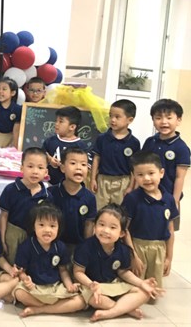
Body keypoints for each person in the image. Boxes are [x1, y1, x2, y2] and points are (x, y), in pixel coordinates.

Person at [73, 204, 163, 321]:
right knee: (93, 298)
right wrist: (91, 284)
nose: (105, 230)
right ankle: (126, 309)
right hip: (93, 286)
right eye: (101, 224)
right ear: (95, 226)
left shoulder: (123, 250)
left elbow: (123, 272)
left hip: (113, 284)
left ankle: (110, 313)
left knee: (144, 293)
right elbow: (78, 272)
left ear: (122, 233)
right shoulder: (85, 247)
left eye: (113, 227)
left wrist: (141, 283)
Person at [13, 203, 86, 318]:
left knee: (80, 301)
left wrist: (69, 285)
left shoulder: (60, 247)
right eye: (41, 225)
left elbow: (63, 270)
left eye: (52, 226)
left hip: (55, 287)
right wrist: (26, 280)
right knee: (19, 293)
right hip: (35, 288)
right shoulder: (26, 246)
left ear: (59, 228)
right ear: (33, 226)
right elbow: (21, 271)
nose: (47, 230)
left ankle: (39, 309)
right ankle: (55, 308)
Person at [123, 151, 178, 289]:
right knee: (136, 288)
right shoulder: (132, 199)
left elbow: (170, 230)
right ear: (134, 176)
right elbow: (124, 229)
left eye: (151, 173)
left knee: (154, 289)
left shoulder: (168, 199)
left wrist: (169, 257)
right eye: (140, 175)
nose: (146, 178)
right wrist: (133, 256)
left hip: (159, 248)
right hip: (137, 247)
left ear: (161, 173)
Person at [0, 147, 52, 265]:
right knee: (13, 264)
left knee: (31, 266)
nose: (35, 171)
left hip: (36, 236)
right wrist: (2, 240)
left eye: (40, 168)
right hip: (13, 234)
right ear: (21, 168)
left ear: (46, 172)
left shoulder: (47, 195)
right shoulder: (11, 189)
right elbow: (3, 216)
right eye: (30, 166)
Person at [141, 98, 189, 229]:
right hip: (146, 192)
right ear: (153, 120)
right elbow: (140, 167)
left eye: (169, 117)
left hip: (167, 196)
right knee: (144, 226)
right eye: (158, 118)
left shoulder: (181, 148)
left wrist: (174, 201)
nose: (163, 122)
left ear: (178, 120)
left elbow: (180, 177)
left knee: (166, 230)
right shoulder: (150, 142)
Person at [91, 99, 140, 209]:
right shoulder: (102, 138)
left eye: (117, 117)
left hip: (123, 181)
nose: (112, 120)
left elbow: (134, 167)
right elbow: (96, 159)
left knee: (119, 212)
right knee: (99, 210)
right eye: (110, 116)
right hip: (103, 180)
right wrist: (93, 179)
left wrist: (131, 186)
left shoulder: (134, 142)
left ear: (130, 120)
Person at [48, 147, 97, 253]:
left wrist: (87, 248)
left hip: (78, 247)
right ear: (62, 168)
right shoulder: (51, 193)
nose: (79, 168)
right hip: (53, 245)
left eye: (83, 164)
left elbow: (89, 224)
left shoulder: (90, 197)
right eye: (73, 163)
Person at [42, 105, 88, 185]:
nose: (56, 124)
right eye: (56, 121)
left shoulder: (81, 146)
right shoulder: (50, 141)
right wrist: (49, 159)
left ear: (72, 127)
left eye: (61, 121)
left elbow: (85, 166)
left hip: (72, 185)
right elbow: (41, 154)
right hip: (50, 183)